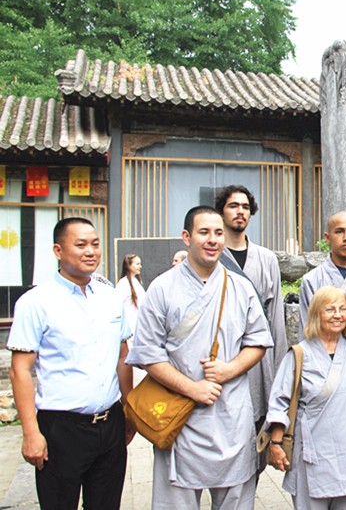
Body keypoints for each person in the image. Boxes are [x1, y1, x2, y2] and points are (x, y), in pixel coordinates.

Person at [126, 206, 272, 509]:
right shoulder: (162, 288)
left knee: (235, 496)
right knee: (177, 498)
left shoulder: (240, 287)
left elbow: (259, 342)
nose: (213, 239)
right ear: (186, 237)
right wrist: (192, 388)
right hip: (180, 413)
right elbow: (147, 354)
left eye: (218, 233)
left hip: (230, 411)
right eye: (204, 232)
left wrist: (228, 370)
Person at [8, 217, 133, 510]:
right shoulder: (35, 302)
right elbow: (20, 370)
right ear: (58, 251)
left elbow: (122, 354)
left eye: (95, 244)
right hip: (61, 429)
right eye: (81, 245)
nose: (91, 251)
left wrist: (129, 409)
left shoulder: (110, 296)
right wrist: (30, 432)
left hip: (111, 422)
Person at [266, 286, 346, 509]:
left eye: (343, 309)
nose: (338, 315)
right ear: (316, 314)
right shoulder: (299, 355)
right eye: (330, 309)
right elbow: (280, 402)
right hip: (312, 457)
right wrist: (276, 443)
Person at [215, 185, 287, 445]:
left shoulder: (266, 258)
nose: (240, 212)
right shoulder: (213, 255)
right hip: (223, 355)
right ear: (221, 212)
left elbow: (276, 317)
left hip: (259, 356)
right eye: (233, 206)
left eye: (245, 207)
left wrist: (281, 371)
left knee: (257, 433)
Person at [298, 211, 346, 339]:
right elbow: (307, 330)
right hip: (323, 355)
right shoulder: (312, 280)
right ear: (327, 237)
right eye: (339, 231)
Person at [116, 253, 146, 337]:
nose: (140, 266)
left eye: (140, 264)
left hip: (138, 324)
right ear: (129, 266)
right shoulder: (123, 284)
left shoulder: (137, 282)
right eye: (137, 264)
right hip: (129, 325)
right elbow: (117, 305)